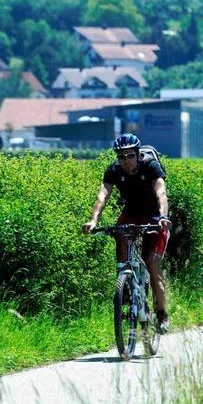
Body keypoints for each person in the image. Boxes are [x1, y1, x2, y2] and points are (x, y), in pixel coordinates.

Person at [83, 133, 172, 333]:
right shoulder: (113, 171)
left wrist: (163, 217)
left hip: (155, 217)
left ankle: (161, 314)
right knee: (120, 239)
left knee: (151, 263)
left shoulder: (150, 166)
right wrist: (94, 219)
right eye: (121, 156)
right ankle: (127, 287)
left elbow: (161, 193)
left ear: (138, 155)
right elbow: (102, 195)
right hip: (131, 213)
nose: (125, 160)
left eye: (129, 155)